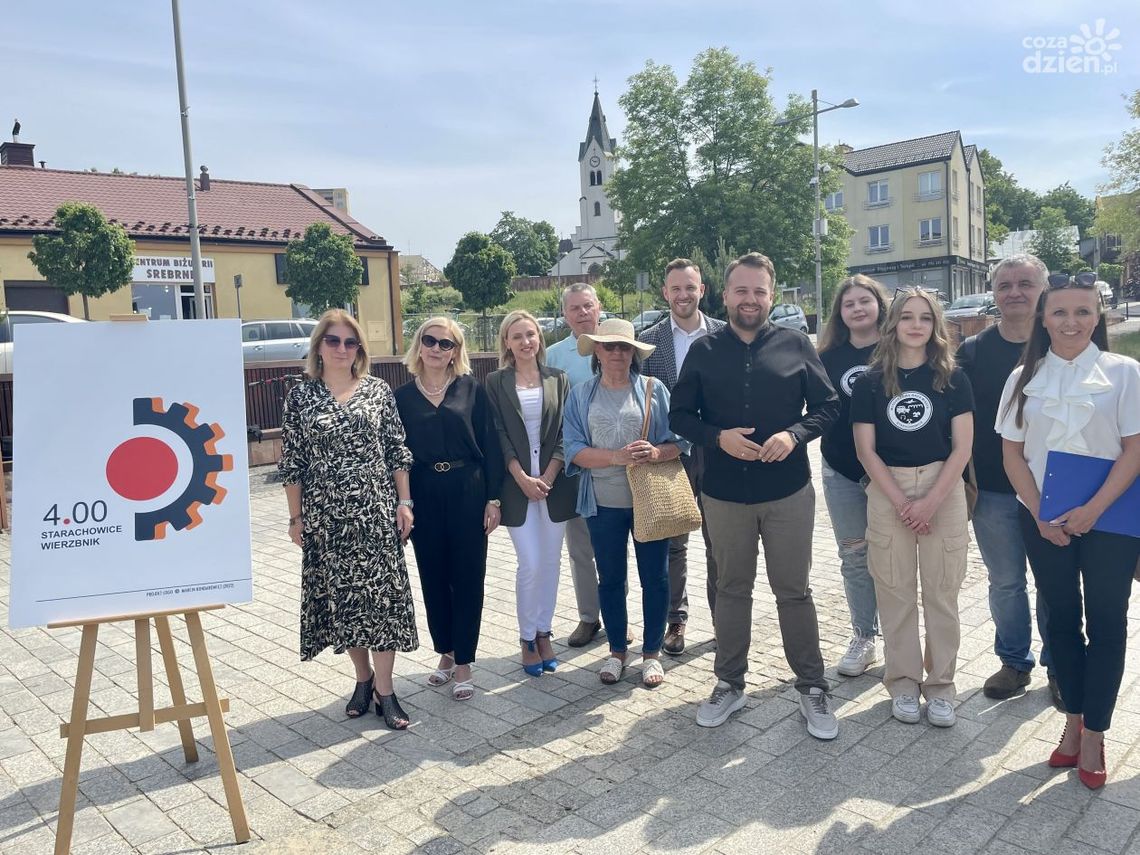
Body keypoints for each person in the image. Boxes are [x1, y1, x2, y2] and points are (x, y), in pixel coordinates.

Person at [671, 252, 840, 738]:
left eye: (759, 291)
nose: (750, 300)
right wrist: (716, 437)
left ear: (772, 295)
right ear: (724, 296)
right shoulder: (703, 351)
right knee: (731, 591)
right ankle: (729, 683)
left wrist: (795, 434)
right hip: (723, 494)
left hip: (787, 491)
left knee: (794, 591)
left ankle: (811, 686)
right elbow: (679, 416)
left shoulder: (794, 344)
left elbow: (829, 407)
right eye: (741, 291)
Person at [997, 273, 1140, 789]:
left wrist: (1094, 510)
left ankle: (1097, 732)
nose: (1071, 322)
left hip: (1113, 517)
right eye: (1060, 312)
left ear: (1098, 315)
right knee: (1060, 619)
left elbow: (1134, 451)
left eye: (1083, 311)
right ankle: (1073, 723)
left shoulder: (1125, 373)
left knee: (1107, 622)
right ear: (1043, 318)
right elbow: (1012, 454)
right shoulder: (1022, 378)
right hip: (1043, 517)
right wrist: (1039, 513)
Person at [279, 309, 418, 730]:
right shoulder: (300, 396)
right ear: (318, 345)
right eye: (333, 340)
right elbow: (293, 463)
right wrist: (295, 517)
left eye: (350, 341)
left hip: (375, 513)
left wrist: (405, 502)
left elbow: (397, 451)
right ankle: (362, 680)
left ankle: (387, 691)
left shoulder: (378, 391)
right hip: (327, 517)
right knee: (347, 603)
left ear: (360, 348)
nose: (342, 348)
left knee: (382, 603)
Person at [851, 287, 974, 728]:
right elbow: (866, 450)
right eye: (907, 317)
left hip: (944, 484)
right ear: (893, 324)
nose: (916, 325)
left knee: (942, 591)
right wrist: (904, 503)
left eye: (925, 317)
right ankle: (902, 681)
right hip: (889, 488)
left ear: (936, 325)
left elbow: (962, 449)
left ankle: (941, 687)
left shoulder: (953, 377)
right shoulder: (870, 382)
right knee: (895, 590)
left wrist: (931, 502)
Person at [562, 318, 689, 688]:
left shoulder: (654, 389)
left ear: (634, 353)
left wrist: (655, 451)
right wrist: (616, 457)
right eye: (609, 346)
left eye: (623, 346)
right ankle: (617, 650)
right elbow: (573, 450)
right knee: (611, 580)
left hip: (650, 501)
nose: (617, 352)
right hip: (602, 502)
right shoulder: (581, 394)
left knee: (656, 577)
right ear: (597, 351)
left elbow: (680, 442)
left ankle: (651, 653)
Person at [957, 254, 1056, 704]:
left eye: (1025, 284)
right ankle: (1014, 663)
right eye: (1005, 285)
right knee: (1006, 582)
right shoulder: (973, 352)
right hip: (994, 490)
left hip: (1057, 490)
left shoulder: (1063, 344)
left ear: (1043, 289)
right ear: (994, 293)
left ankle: (1061, 663)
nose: (1014, 292)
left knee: (1054, 581)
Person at [394, 317, 504, 702]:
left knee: (469, 577)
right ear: (419, 345)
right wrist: (402, 502)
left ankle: (464, 663)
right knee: (434, 576)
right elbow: (397, 456)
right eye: (431, 340)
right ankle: (445, 654)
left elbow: (491, 444)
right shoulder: (402, 398)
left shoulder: (471, 389)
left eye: (447, 343)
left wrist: (494, 498)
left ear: (457, 351)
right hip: (424, 491)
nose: (437, 349)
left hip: (468, 489)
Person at [638, 258, 726, 655]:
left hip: (723, 451)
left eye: (690, 287)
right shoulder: (650, 341)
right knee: (675, 539)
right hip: (674, 453)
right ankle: (677, 620)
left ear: (702, 290)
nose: (683, 295)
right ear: (665, 293)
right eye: (676, 288)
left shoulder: (726, 335)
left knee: (720, 539)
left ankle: (725, 619)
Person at [485, 311, 578, 677]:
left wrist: (550, 473)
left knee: (552, 564)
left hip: (554, 487)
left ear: (539, 339)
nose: (525, 342)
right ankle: (526, 638)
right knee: (531, 563)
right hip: (516, 486)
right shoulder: (495, 382)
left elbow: (566, 432)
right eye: (517, 336)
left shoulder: (559, 379)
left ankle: (543, 632)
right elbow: (497, 433)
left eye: (531, 334)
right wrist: (521, 475)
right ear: (506, 342)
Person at [546, 284, 630, 648]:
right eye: (574, 308)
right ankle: (587, 617)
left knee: (616, 550)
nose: (581, 313)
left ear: (599, 308)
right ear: (564, 314)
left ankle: (619, 619)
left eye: (587, 306)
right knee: (580, 547)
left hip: (621, 466)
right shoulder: (552, 356)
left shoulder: (617, 341)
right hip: (576, 466)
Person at [817, 274, 889, 677]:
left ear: (879, 304)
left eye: (865, 301)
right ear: (840, 313)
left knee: (894, 555)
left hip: (894, 473)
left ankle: (900, 638)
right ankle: (864, 636)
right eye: (849, 304)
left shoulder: (899, 350)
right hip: (841, 471)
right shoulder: (827, 357)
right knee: (855, 554)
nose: (858, 308)